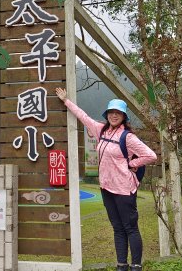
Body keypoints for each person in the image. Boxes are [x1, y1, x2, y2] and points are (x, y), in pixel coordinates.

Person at [55, 87, 156, 271]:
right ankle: (121, 265)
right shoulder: (101, 130)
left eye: (118, 113)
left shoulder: (128, 137)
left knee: (130, 228)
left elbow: (151, 156)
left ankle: (136, 265)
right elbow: (83, 117)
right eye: (111, 112)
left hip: (124, 189)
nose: (114, 115)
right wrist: (66, 100)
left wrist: (133, 164)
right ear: (107, 114)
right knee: (117, 228)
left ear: (124, 116)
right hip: (107, 188)